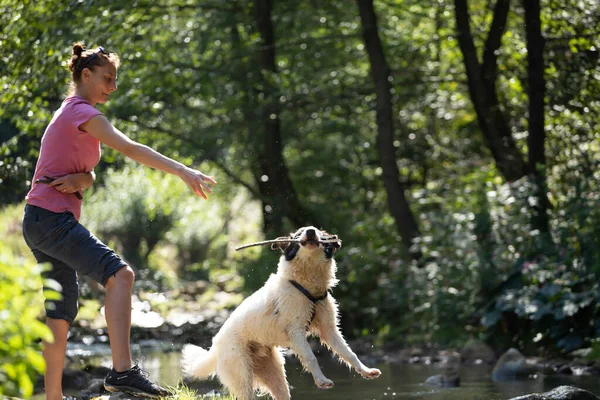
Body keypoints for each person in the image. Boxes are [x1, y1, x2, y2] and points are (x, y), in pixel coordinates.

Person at [22, 42, 217, 399]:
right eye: (107, 79)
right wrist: (182, 170)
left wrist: (88, 179)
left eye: (115, 79)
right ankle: (123, 371)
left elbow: (66, 166)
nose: (113, 86)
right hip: (51, 220)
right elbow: (130, 148)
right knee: (121, 275)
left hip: (38, 220)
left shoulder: (72, 112)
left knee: (61, 311)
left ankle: (53, 397)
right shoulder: (82, 112)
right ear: (85, 75)